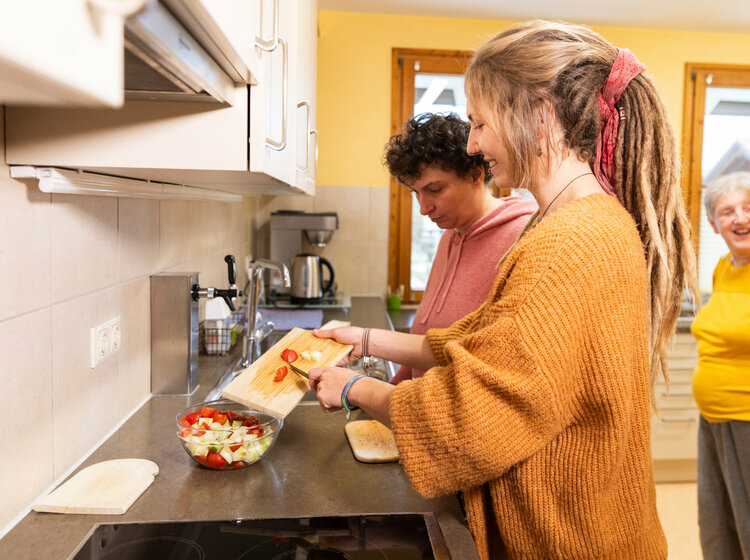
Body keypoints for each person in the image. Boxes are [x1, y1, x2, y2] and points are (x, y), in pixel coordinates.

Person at [309, 20, 698, 559]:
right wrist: (365, 340)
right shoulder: (574, 224)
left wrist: (354, 389)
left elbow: (467, 421)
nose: (472, 144)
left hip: (570, 541)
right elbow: (478, 345)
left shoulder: (571, 241)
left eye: (479, 122)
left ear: (538, 114)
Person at [383, 113, 536, 383]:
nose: (423, 208)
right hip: (421, 411)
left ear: (475, 175)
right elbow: (424, 340)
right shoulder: (450, 235)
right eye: (415, 192)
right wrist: (386, 390)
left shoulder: (521, 238)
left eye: (435, 189)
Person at [691, 171, 750, 560]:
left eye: (749, 208)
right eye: (728, 212)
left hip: (746, 415)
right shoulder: (724, 267)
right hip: (713, 417)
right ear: (714, 224)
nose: (740, 218)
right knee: (718, 520)